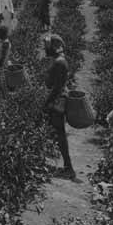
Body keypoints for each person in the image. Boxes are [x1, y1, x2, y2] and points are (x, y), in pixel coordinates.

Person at [44, 39, 75, 180]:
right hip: (57, 98)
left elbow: (57, 87)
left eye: (46, 46)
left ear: (53, 47)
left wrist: (47, 102)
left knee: (59, 132)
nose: (45, 48)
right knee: (54, 130)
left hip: (57, 100)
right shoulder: (58, 60)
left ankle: (69, 168)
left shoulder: (59, 62)